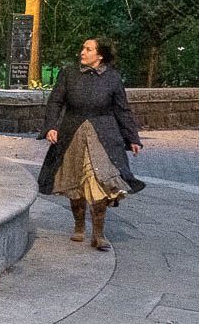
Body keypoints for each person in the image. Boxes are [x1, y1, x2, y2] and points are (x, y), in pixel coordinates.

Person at [37, 39, 144, 251]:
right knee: (75, 182)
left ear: (100, 55)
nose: (82, 52)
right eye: (83, 48)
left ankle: (98, 235)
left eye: (88, 49)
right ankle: (79, 226)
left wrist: (132, 138)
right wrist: (51, 126)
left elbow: (122, 109)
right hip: (72, 134)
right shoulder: (69, 74)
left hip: (103, 136)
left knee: (99, 182)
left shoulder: (112, 77)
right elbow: (55, 101)